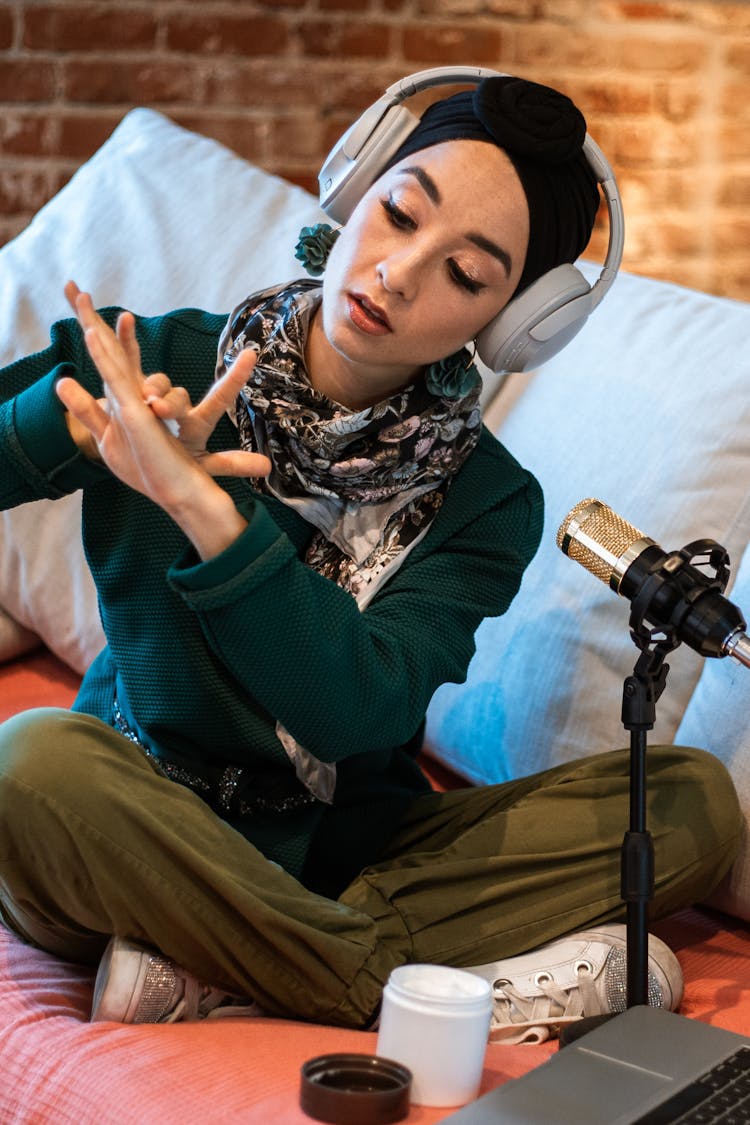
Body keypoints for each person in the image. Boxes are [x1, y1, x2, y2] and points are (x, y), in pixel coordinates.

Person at [0, 73, 741, 1045]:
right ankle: (404, 983)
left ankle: (239, 964)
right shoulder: (162, 362)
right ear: (359, 188)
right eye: (399, 214)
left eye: (466, 275)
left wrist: (202, 509)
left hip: (341, 848)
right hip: (128, 825)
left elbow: (356, 712)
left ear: (512, 322)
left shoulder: (485, 497)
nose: (397, 272)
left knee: (688, 804)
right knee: (27, 764)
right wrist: (68, 426)